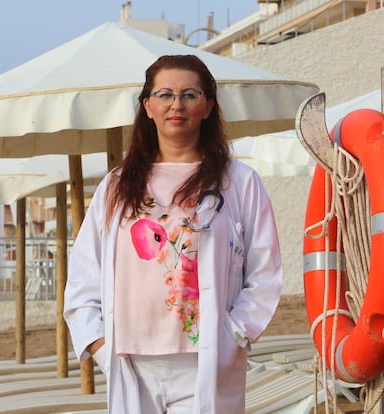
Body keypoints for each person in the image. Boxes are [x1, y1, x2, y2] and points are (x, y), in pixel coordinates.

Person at [64, 54, 282, 414]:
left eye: (190, 94)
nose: (176, 105)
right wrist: (99, 342)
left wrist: (236, 333)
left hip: (205, 361)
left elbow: (265, 271)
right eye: (164, 94)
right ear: (147, 105)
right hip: (131, 361)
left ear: (208, 106)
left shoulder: (240, 182)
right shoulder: (115, 186)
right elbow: (85, 271)